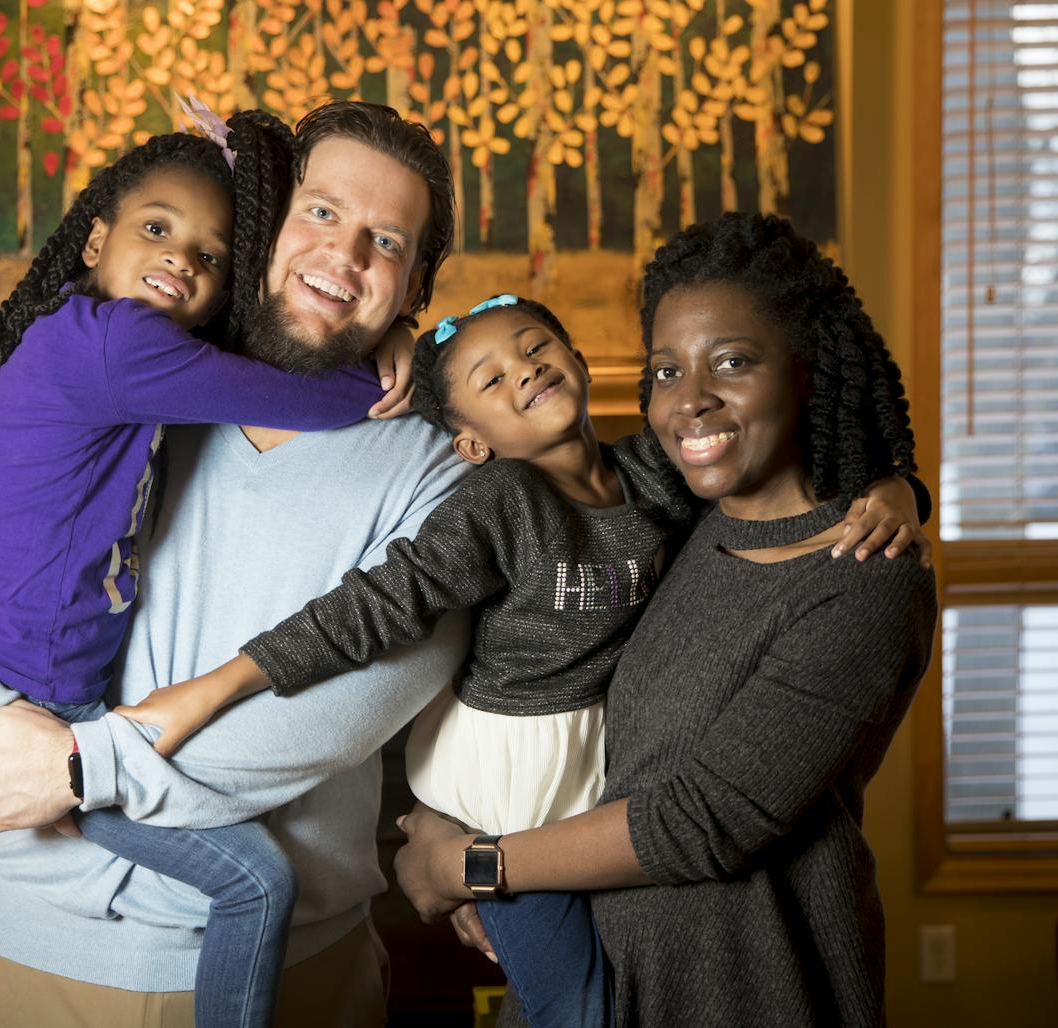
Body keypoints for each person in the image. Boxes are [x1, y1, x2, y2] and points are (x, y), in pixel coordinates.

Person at [115, 291, 927, 1028]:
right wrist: (219, 686)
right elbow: (374, 606)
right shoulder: (500, 506)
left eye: (537, 347)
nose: (524, 372)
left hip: (586, 777)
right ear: (471, 440)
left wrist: (896, 487)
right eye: (490, 378)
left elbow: (773, 443)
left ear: (578, 356)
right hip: (501, 786)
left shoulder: (661, 477)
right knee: (571, 1003)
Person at [0, 100, 463, 1026]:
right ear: (267, 224)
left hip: (291, 973)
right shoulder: (150, 376)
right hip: (26, 947)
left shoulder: (445, 472)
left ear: (415, 282)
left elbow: (344, 707)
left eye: (384, 240)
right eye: (319, 212)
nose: (342, 256)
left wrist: (81, 767)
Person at [392, 212, 939, 1028]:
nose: (692, 402)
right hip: (601, 968)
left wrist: (472, 867)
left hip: (746, 989)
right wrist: (463, 833)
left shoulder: (863, 579)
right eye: (665, 371)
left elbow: (703, 821)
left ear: (806, 369)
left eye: (732, 361)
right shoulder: (685, 518)